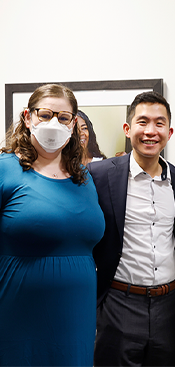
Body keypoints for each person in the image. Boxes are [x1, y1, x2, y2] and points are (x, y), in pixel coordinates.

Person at [0, 84, 105, 365]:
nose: (53, 123)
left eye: (62, 117)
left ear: (73, 123)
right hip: (16, 315)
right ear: (27, 117)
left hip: (76, 317)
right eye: (45, 115)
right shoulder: (4, 169)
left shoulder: (83, 176)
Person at [89, 91, 175, 366]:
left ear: (169, 132)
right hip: (118, 304)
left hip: (170, 306)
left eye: (159, 123)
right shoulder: (100, 176)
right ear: (128, 129)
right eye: (143, 122)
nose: (151, 131)